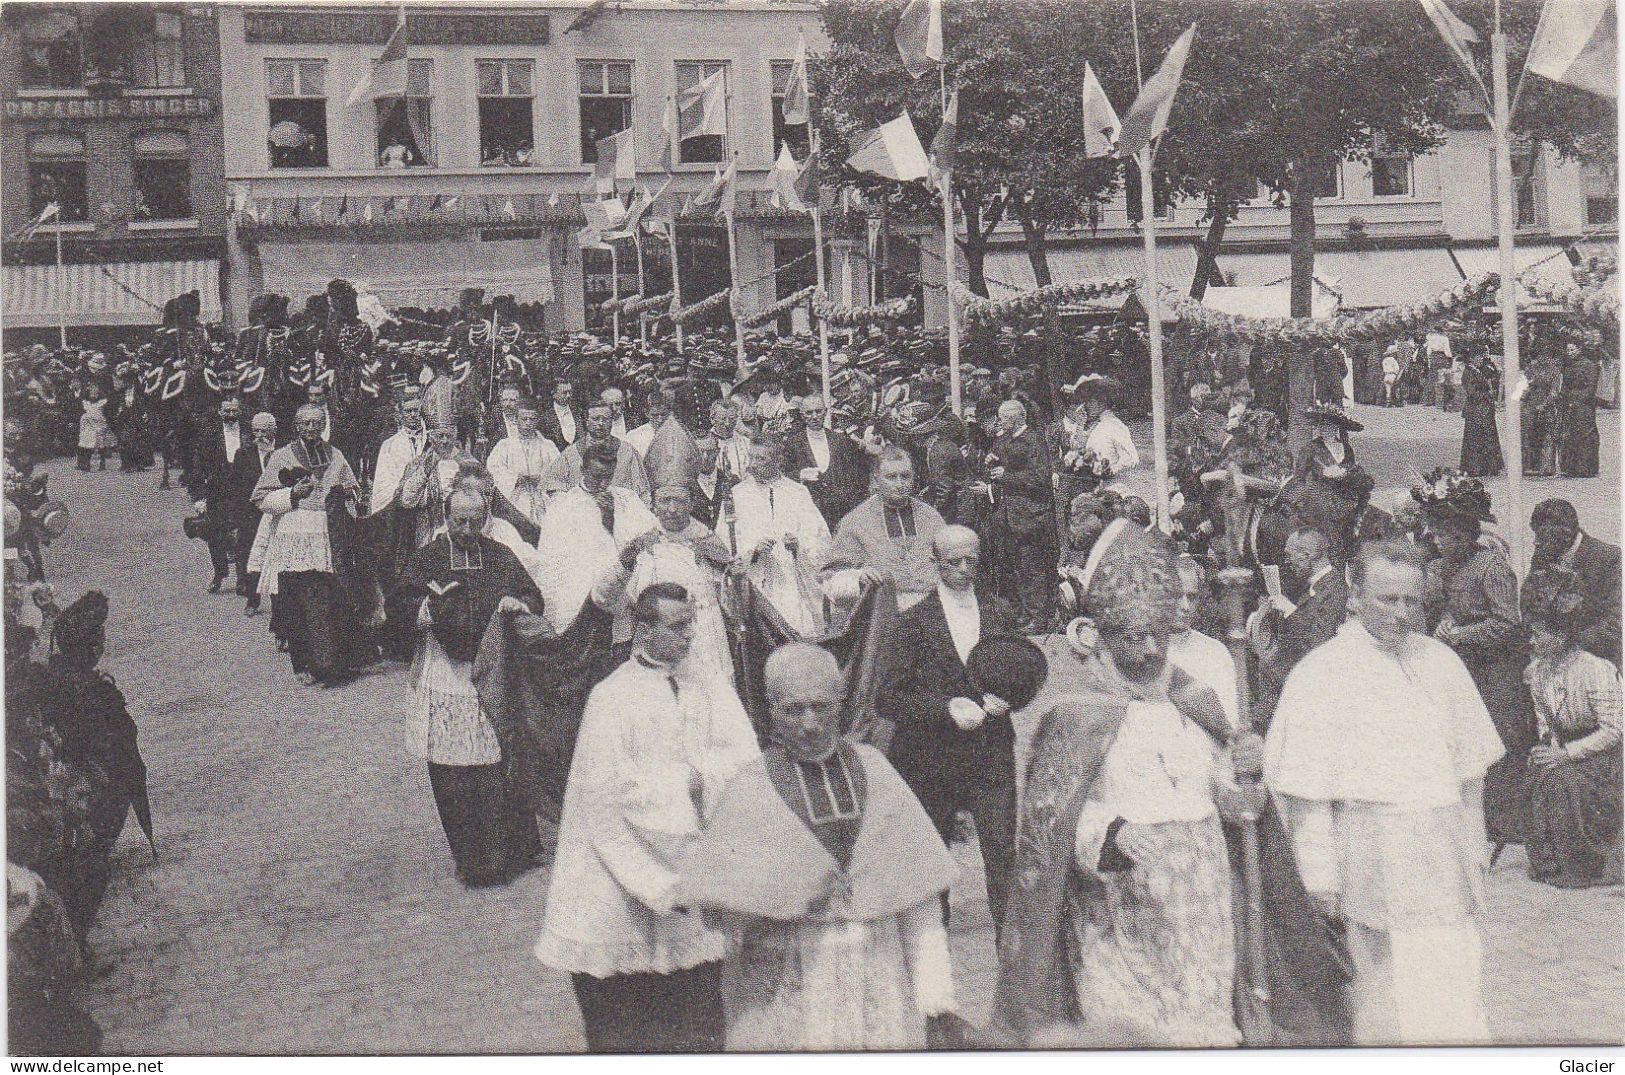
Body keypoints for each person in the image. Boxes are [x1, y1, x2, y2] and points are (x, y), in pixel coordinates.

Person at [993, 529, 1258, 1047]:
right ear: (1104, 639)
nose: (1144, 651)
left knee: (1201, 1030)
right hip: (1117, 908)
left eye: (1154, 636)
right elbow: (1052, 818)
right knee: (1128, 1037)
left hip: (1200, 905)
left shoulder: (1196, 701)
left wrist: (1245, 772)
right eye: (1129, 638)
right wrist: (1109, 835)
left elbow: (1232, 802)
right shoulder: (1075, 712)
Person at [1265, 540, 1504, 1046]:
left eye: (1411, 602)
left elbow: (1469, 776)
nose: (1401, 614)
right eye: (1387, 600)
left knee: (1453, 969)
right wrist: (1319, 879)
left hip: (1442, 849)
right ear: (1354, 595)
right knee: (1385, 986)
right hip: (1371, 849)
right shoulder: (1321, 673)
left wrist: (1475, 845)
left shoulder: (1441, 662)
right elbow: (1307, 797)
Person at [673, 642, 961, 1050]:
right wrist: (781, 897)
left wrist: (935, 994)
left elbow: (920, 896)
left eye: (821, 707)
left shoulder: (876, 769)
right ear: (771, 709)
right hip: (792, 987)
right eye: (793, 710)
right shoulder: (749, 787)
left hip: (878, 977)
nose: (809, 724)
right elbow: (724, 914)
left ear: (840, 705)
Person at [534, 583, 760, 1053]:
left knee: (698, 1026)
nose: (689, 636)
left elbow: (744, 760)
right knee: (628, 1029)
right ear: (643, 629)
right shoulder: (611, 698)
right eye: (677, 626)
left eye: (691, 623)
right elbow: (609, 795)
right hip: (621, 879)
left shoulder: (709, 682)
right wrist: (684, 787)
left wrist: (706, 782)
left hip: (695, 876)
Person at [390, 488, 544, 887]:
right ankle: (470, 859)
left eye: (476, 521)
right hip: (445, 676)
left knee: (495, 763)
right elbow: (399, 606)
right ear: (446, 516)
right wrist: (426, 610)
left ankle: (505, 853)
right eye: (460, 521)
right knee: (452, 771)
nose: (468, 529)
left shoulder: (499, 555)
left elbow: (532, 595)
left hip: (491, 673)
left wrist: (517, 602)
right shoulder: (427, 558)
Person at [876, 525, 1018, 933]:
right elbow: (888, 698)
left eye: (972, 559)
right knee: (932, 855)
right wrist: (944, 708)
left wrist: (1009, 698)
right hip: (931, 757)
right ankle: (931, 943)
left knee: (1001, 848)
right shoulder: (913, 622)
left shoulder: (999, 612)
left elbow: (1023, 671)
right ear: (936, 564)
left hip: (991, 753)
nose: (964, 568)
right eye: (954, 561)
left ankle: (1008, 947)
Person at [1418, 477, 1531, 846]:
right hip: (1456, 668)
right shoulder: (1436, 568)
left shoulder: (1490, 567)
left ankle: (1504, 823)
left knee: (1497, 738)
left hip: (1495, 669)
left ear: (1464, 535)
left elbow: (1508, 624)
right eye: (1433, 534)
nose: (1435, 541)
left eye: (1443, 535)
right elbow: (1428, 613)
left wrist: (1459, 636)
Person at [248, 403, 368, 686]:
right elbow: (259, 499)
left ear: (324, 424)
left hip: (328, 537)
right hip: (293, 536)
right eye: (306, 423)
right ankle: (302, 663)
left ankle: (328, 663)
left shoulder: (336, 455)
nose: (312, 428)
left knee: (328, 601)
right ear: (297, 426)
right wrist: (292, 493)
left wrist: (351, 494)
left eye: (317, 423)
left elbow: (354, 490)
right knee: (294, 604)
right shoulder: (282, 456)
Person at [1521, 568, 1623, 889]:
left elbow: (1613, 731)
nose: (1532, 641)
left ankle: (1584, 864)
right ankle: (1549, 860)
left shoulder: (1595, 670)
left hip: (1605, 756)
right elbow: (1545, 722)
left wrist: (1567, 754)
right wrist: (1549, 748)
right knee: (1537, 771)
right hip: (1567, 751)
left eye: (1539, 634)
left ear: (1562, 634)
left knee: (1564, 778)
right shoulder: (1537, 673)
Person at [593, 482, 738, 680]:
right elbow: (603, 598)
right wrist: (626, 561)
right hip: (654, 654)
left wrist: (736, 579)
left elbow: (734, 609)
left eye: (679, 501)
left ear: (692, 504)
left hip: (707, 651)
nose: (672, 509)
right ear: (653, 505)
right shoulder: (640, 545)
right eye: (665, 501)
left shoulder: (710, 544)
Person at [532, 443, 660, 648]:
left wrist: (612, 521)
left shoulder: (626, 499)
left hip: (621, 601)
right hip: (578, 600)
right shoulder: (562, 508)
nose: (602, 484)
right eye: (596, 476)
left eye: (608, 477)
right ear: (582, 470)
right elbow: (550, 566)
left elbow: (651, 538)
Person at [821, 447, 945, 620]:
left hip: (934, 613)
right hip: (881, 619)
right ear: (877, 479)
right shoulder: (855, 521)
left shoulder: (931, 516)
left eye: (905, 476)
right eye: (891, 477)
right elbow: (831, 581)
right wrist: (857, 577)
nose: (900, 483)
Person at [724, 437, 830, 637]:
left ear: (777, 461)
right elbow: (728, 541)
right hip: (756, 584)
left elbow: (818, 536)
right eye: (751, 458)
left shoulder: (797, 492)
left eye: (760, 459)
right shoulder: (737, 495)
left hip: (793, 583)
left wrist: (798, 545)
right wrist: (753, 551)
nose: (752, 465)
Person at [1250, 528, 1348, 724]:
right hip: (1287, 679)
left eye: (1289, 555)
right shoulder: (1314, 585)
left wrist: (1289, 610)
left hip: (1305, 685)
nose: (1286, 562)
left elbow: (1320, 641)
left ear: (1306, 555)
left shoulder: (1335, 588)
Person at [976, 399, 1056, 634]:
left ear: (1019, 418)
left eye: (1005, 418)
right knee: (1016, 567)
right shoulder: (1003, 439)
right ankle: (1023, 613)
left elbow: (1040, 478)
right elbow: (996, 464)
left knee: (1033, 567)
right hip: (1008, 515)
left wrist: (1005, 475)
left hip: (1031, 515)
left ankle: (1038, 617)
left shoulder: (1034, 440)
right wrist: (990, 461)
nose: (1000, 422)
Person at [1530, 498, 1621, 668]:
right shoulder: (1542, 555)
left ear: (1565, 534)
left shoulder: (1609, 559)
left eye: (1541, 535)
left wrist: (1568, 643)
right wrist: (1540, 633)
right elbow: (1531, 605)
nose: (1536, 542)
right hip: (1551, 661)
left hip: (1599, 663)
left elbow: (1616, 621)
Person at [1169, 554, 1239, 728]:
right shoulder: (1140, 651)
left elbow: (1230, 722)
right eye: (1177, 595)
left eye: (1191, 597)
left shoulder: (1215, 653)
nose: (1185, 606)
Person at [189, 395, 249, 595]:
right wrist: (199, 497)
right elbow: (197, 467)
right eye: (227, 411)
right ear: (220, 412)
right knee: (215, 534)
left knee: (242, 534)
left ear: (239, 411)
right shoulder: (209, 435)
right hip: (217, 491)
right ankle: (219, 573)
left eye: (234, 411)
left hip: (242, 490)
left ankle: (242, 577)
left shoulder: (248, 433)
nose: (231, 415)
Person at [541, 398, 651, 505]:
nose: (601, 423)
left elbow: (643, 492)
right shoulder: (571, 453)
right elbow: (552, 486)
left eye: (606, 419)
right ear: (587, 421)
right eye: (595, 418)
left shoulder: (627, 451)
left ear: (612, 421)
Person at [784, 394, 869, 529]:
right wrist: (799, 475)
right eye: (809, 412)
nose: (814, 416)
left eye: (818, 411)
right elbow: (782, 476)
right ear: (801, 415)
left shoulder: (840, 440)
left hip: (840, 512)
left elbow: (856, 477)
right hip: (810, 512)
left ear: (826, 411)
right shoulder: (793, 443)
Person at [485, 396, 558, 529]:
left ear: (537, 420)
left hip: (542, 499)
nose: (528, 423)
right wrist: (514, 478)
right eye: (524, 419)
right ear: (516, 420)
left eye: (532, 419)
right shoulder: (505, 445)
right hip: (514, 499)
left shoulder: (548, 446)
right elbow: (493, 469)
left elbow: (559, 471)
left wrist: (543, 478)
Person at [232, 412, 277, 615]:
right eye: (256, 431)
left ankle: (280, 603)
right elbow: (237, 487)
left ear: (273, 431)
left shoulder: (283, 452)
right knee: (253, 555)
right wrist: (238, 518)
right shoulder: (243, 454)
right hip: (252, 514)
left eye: (264, 431)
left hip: (278, 511)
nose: (260, 436)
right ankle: (252, 599)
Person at [369, 396, 429, 515]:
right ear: (401, 414)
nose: (413, 415)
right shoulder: (389, 445)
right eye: (408, 411)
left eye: (416, 410)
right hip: (401, 507)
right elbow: (383, 482)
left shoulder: (432, 440)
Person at [1076, 376, 1140, 476]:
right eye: (1086, 402)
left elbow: (1131, 458)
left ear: (1103, 403)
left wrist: (1111, 470)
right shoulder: (1096, 427)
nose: (1086, 406)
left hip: (1114, 486)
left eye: (1091, 402)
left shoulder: (1114, 426)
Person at [1458, 353, 1504, 478]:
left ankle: (1489, 467)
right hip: (1476, 410)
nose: (1481, 360)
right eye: (1479, 357)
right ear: (1472, 358)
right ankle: (1474, 468)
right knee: (1475, 439)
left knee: (1488, 438)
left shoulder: (1481, 370)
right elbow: (1472, 392)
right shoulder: (1468, 372)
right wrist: (1486, 396)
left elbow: (1496, 375)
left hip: (1485, 410)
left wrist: (1491, 363)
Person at [1559, 343, 1601, 478]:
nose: (1569, 352)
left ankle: (1586, 467)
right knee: (1570, 434)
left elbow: (1591, 388)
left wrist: (1578, 400)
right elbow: (1564, 386)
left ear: (1579, 349)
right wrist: (1565, 398)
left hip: (1584, 406)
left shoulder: (1589, 365)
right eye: (1567, 350)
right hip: (1569, 404)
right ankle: (1571, 467)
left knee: (1585, 434)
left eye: (1572, 349)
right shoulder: (1568, 366)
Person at [540, 379, 580, 448]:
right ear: (554, 394)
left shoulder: (579, 412)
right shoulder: (545, 417)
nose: (568, 396)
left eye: (570, 392)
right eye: (564, 393)